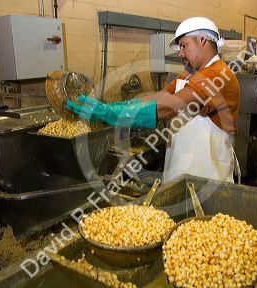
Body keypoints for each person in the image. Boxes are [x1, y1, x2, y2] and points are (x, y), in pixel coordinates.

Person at [66, 17, 240, 184]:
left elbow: (168, 108)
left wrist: (110, 115)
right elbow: (159, 97)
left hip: (207, 175)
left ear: (202, 40)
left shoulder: (217, 75)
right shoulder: (190, 74)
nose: (180, 53)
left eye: (183, 45)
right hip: (180, 170)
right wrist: (112, 106)